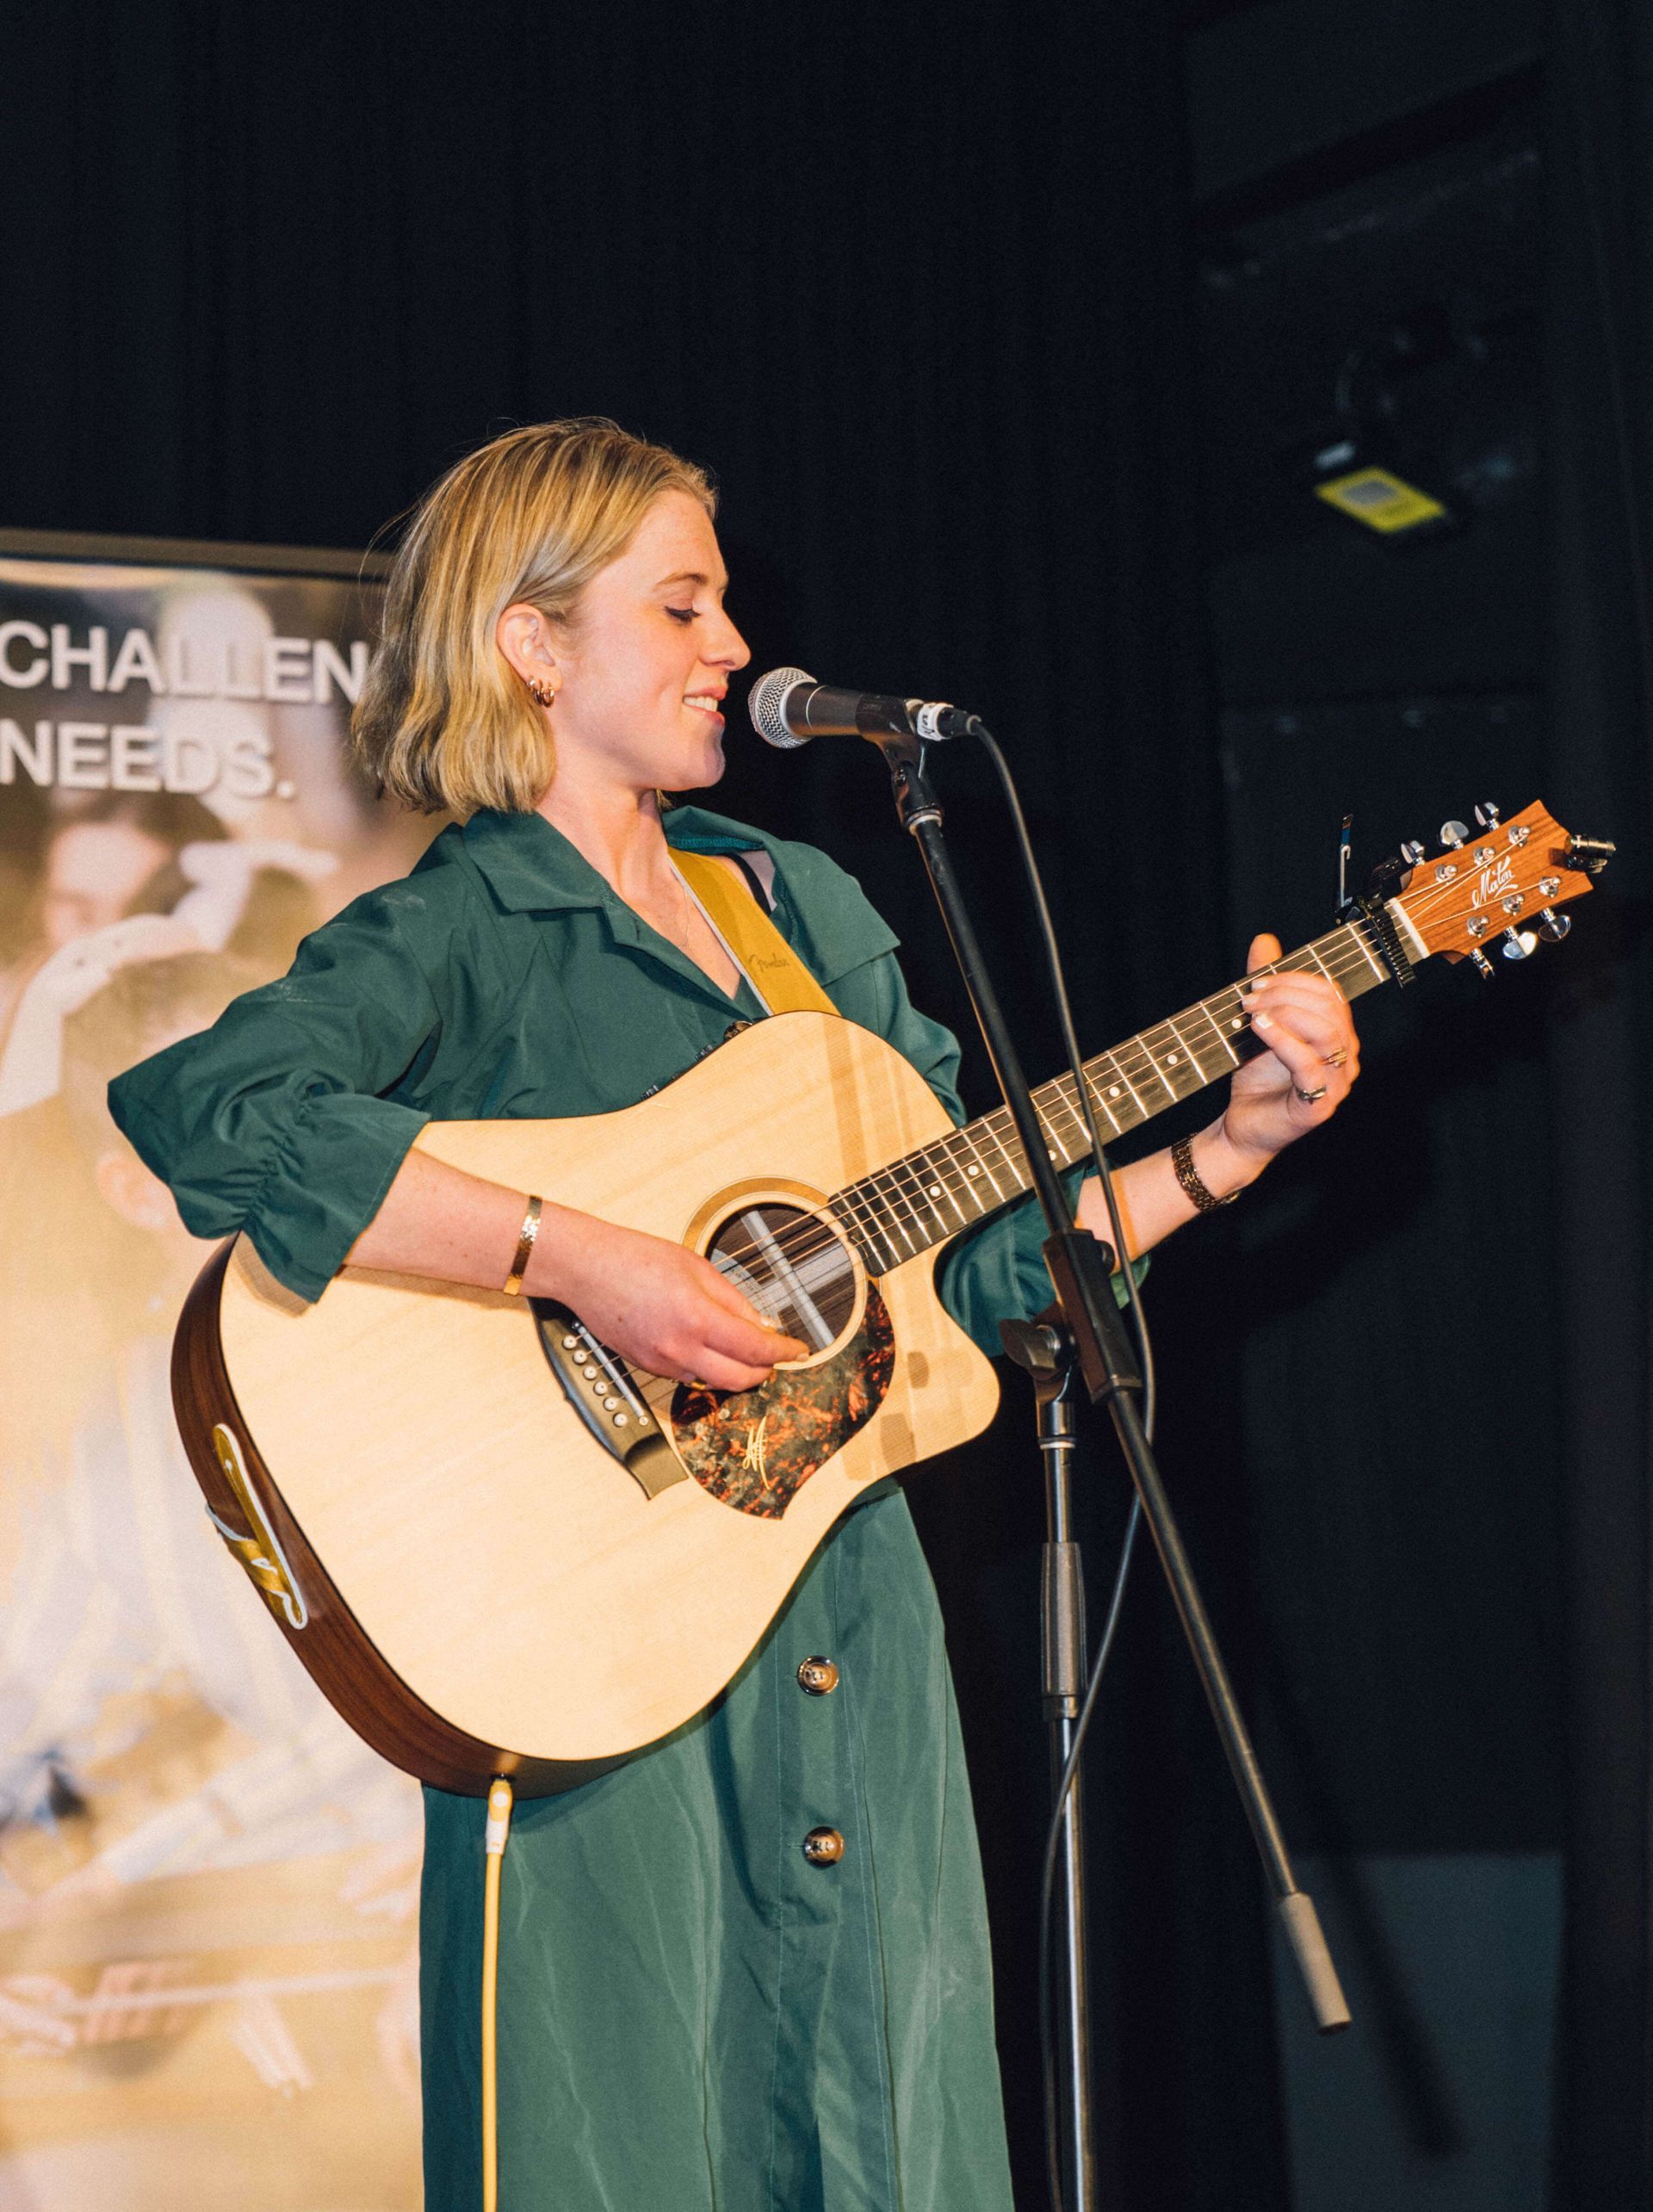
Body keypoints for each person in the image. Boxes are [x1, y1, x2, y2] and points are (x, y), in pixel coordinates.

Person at [107, 418, 1360, 2211]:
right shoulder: (467, 926)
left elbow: (979, 1272)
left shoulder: (803, 910)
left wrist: (1229, 1146)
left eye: (722, 607)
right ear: (535, 645)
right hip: (595, 1667)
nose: (735, 646)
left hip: (852, 1635)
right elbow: (211, 1110)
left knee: (889, 2142)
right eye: (682, 605)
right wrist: (576, 1256)